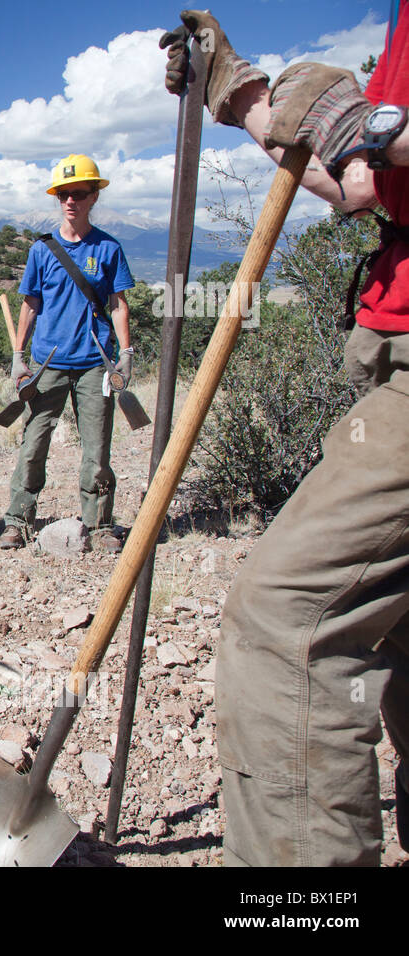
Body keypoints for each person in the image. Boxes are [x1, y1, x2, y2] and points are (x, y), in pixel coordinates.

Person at [160, 7, 407, 865]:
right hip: (389, 352)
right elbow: (361, 185)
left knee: (285, 621)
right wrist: (248, 98)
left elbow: (374, 152)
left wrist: (371, 127)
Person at [0, 154, 135, 553]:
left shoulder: (108, 248)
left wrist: (125, 354)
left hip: (94, 365)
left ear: (93, 196)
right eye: (63, 194)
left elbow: (119, 304)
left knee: (97, 449)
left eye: (78, 193)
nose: (69, 201)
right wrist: (18, 356)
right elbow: (30, 304)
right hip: (48, 365)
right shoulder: (42, 251)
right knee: (34, 443)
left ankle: (101, 525)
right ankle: (17, 522)